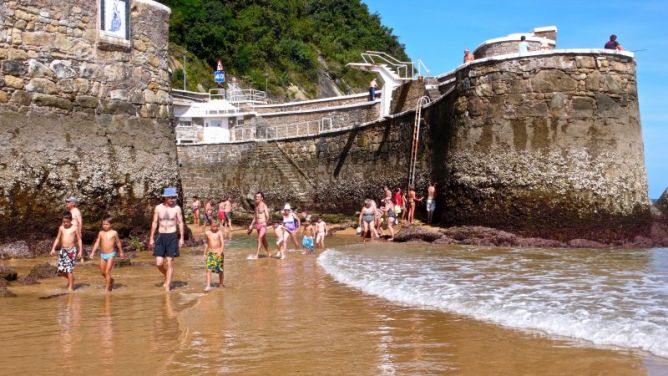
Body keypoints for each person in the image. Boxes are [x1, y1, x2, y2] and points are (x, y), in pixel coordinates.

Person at [149, 187, 185, 292]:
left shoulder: (177, 208)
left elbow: (181, 223)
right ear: (165, 198)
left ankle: (168, 286)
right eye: (170, 197)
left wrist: (181, 238)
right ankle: (167, 275)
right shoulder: (158, 208)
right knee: (159, 263)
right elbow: (154, 222)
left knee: (169, 262)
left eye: (174, 197)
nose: (172, 199)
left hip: (172, 236)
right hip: (160, 236)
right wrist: (151, 237)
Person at [50, 211, 83, 292]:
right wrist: (53, 248)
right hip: (63, 250)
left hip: (71, 251)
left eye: (67, 222)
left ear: (71, 220)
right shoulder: (61, 228)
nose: (65, 223)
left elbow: (79, 239)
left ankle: (71, 288)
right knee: (60, 271)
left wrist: (80, 251)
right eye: (64, 222)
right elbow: (57, 238)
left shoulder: (74, 228)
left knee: (69, 269)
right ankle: (71, 279)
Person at [90, 217, 124, 292]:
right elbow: (97, 242)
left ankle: (107, 289)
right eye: (103, 224)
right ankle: (111, 280)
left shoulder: (114, 233)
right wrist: (93, 252)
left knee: (107, 271)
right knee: (102, 272)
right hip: (102, 255)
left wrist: (121, 252)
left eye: (107, 224)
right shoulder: (101, 233)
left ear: (111, 225)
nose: (104, 226)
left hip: (111, 254)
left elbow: (118, 242)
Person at [247, 192, 271, 259]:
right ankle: (269, 253)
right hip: (257, 225)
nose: (256, 197)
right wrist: (251, 225)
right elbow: (255, 216)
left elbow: (267, 215)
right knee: (263, 240)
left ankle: (256, 255)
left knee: (259, 238)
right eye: (256, 196)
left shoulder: (264, 205)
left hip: (263, 225)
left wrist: (265, 223)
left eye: (258, 196)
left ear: (262, 198)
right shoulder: (256, 205)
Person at [203, 220, 225, 291]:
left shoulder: (219, 233)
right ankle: (208, 285)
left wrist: (220, 252)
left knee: (220, 270)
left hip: (219, 253)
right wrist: (204, 253)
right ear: (210, 226)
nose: (215, 228)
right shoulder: (207, 233)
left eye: (216, 226)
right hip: (210, 253)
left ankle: (221, 284)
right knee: (208, 269)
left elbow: (222, 243)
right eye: (213, 226)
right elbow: (206, 244)